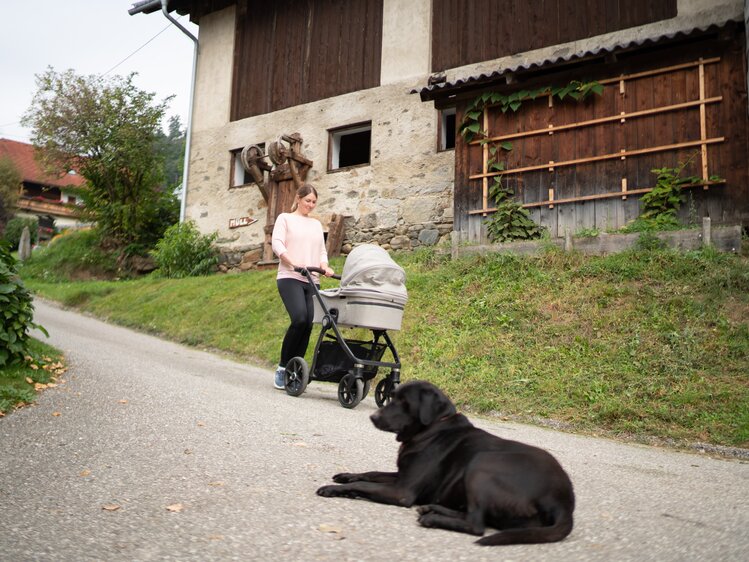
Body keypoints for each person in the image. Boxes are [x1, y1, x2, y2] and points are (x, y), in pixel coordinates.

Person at [271, 184, 335, 389]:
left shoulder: (316, 224)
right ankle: (282, 368)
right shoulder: (285, 218)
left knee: (308, 324)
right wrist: (292, 263)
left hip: (312, 279)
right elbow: (277, 243)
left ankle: (294, 368)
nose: (311, 205)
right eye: (308, 200)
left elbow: (321, 251)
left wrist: (325, 266)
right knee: (299, 318)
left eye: (314, 202)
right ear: (298, 198)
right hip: (290, 276)